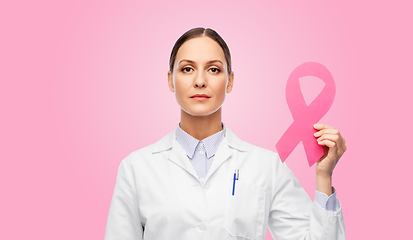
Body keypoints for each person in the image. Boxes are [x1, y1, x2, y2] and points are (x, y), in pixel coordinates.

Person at [104, 27, 346, 240]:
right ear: (171, 81)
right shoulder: (136, 168)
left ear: (230, 81)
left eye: (214, 70)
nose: (200, 81)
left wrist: (324, 178)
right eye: (187, 69)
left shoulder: (267, 166)